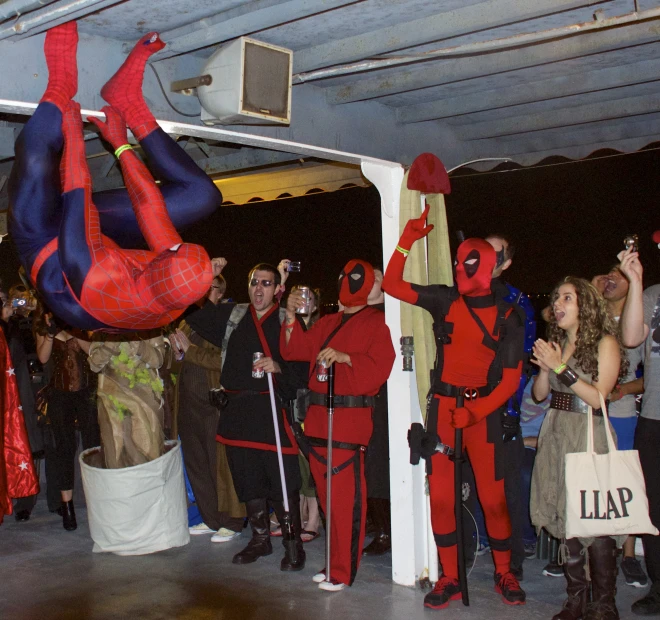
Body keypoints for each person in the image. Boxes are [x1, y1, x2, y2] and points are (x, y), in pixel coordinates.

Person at [8, 23, 222, 332]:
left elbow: (78, 201)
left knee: (37, 153)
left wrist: (74, 134)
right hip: (99, 246)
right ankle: (128, 100)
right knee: (203, 196)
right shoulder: (177, 283)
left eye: (171, 251)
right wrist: (121, 144)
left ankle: (60, 84)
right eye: (176, 248)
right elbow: (150, 209)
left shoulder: (101, 280)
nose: (171, 245)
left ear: (161, 266)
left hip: (46, 244)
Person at [382, 205, 526, 609]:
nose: (462, 269)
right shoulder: (445, 301)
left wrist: (478, 412)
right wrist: (408, 239)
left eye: (470, 264)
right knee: (442, 498)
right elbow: (392, 284)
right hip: (444, 411)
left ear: (493, 267)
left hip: (483, 413)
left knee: (493, 498)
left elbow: (512, 381)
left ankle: (504, 571)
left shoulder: (509, 316)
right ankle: (449, 577)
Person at [282, 259, 395, 591]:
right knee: (329, 502)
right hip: (318, 419)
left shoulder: (378, 323)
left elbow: (378, 369)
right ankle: (333, 564)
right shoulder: (328, 321)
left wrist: (347, 358)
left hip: (348, 422)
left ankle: (343, 571)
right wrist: (290, 315)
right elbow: (294, 350)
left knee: (346, 502)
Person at [185, 263, 307, 571]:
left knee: (282, 482)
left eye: (266, 283)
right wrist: (202, 278)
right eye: (255, 282)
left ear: (276, 288)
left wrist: (279, 367)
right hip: (237, 412)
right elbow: (194, 313)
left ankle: (293, 545)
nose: (259, 288)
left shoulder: (286, 319)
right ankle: (259, 539)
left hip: (270, 412)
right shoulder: (235, 315)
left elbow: (304, 366)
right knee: (247, 481)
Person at [531, 277, 625, 620]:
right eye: (556, 298)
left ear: (584, 305)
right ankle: (576, 599)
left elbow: (599, 396)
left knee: (594, 519)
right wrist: (545, 369)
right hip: (556, 431)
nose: (557, 303)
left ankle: (604, 602)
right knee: (566, 516)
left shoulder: (605, 342)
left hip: (589, 432)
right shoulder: (558, 344)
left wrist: (559, 367)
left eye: (566, 298)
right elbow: (541, 395)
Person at [171, 258, 246, 543]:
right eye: (203, 288)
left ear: (221, 291)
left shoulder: (230, 321)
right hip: (188, 402)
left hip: (215, 404)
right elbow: (175, 364)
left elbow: (228, 361)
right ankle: (209, 517)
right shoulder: (188, 322)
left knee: (221, 466)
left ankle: (232, 521)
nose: (208, 293)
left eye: (212, 288)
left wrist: (189, 352)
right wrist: (177, 354)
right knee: (197, 464)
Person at [593, 266, 647, 588]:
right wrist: (590, 287)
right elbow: (549, 311)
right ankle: (583, 552)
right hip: (588, 412)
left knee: (624, 484)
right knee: (591, 480)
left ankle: (627, 555)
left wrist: (623, 390)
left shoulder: (636, 322)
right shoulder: (592, 317)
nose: (612, 276)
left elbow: (650, 378)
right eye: (609, 272)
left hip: (623, 412)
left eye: (620, 273)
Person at [619, 247, 660, 615]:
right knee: (653, 508)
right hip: (654, 418)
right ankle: (658, 586)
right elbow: (631, 339)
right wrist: (635, 281)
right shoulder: (652, 296)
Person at [33, 308, 99, 530]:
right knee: (64, 448)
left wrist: (76, 330)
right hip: (59, 394)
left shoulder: (80, 321)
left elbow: (94, 352)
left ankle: (97, 503)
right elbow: (42, 357)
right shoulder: (43, 324)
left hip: (85, 392)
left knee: (92, 446)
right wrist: (51, 333)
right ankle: (67, 506)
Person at [362, 268, 392, 556]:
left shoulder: (391, 313)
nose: (369, 281)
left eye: (375, 277)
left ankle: (386, 530)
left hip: (384, 397)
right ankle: (376, 525)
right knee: (367, 462)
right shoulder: (354, 313)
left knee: (378, 464)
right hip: (361, 397)